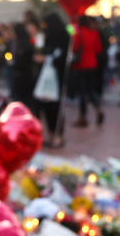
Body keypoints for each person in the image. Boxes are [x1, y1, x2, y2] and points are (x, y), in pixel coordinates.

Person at [33, 12, 70, 146]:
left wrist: (48, 59)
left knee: (56, 108)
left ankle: (58, 135)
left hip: (57, 78)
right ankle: (51, 134)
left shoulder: (63, 36)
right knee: (47, 107)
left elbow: (62, 58)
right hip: (47, 77)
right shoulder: (47, 36)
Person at [71, 15, 104, 127]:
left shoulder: (78, 33)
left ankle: (83, 117)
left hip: (81, 66)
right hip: (92, 64)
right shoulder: (94, 33)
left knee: (82, 92)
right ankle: (98, 109)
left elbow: (74, 48)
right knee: (90, 90)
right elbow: (98, 49)